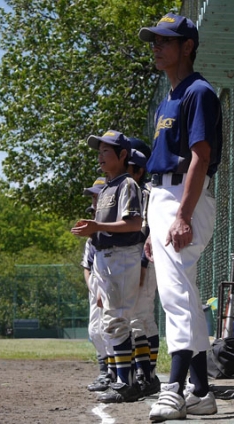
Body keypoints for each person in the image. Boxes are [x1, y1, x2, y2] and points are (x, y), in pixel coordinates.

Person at [138, 13, 223, 421]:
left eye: (165, 40)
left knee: (174, 297)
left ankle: (172, 389)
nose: (156, 46)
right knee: (184, 293)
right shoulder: (168, 98)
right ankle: (202, 392)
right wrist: (156, 226)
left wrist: (183, 214)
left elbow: (200, 157)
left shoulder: (198, 92)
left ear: (187, 46)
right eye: (153, 40)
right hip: (163, 197)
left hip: (183, 196)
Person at [71, 130, 144, 403]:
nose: (100, 156)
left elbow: (135, 224)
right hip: (105, 258)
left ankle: (126, 383)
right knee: (106, 323)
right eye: (99, 151)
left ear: (123, 155)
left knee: (116, 320)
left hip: (121, 257)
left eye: (107, 151)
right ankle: (120, 379)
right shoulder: (107, 188)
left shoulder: (127, 185)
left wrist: (98, 226)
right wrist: (91, 230)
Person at [127, 147, 161, 396]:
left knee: (141, 316)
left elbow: (147, 231)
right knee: (136, 318)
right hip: (136, 261)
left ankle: (147, 375)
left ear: (138, 171)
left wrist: (140, 263)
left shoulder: (145, 192)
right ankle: (146, 372)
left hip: (146, 261)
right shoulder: (132, 190)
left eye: (129, 167)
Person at [80, 177, 116, 392]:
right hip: (96, 284)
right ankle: (104, 370)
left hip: (111, 280)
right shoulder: (91, 239)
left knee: (110, 328)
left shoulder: (112, 232)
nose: (93, 206)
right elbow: (87, 266)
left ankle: (113, 372)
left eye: (96, 197)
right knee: (94, 330)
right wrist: (93, 288)